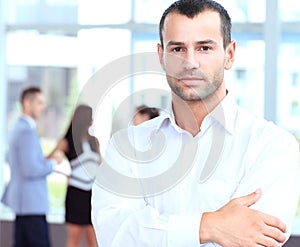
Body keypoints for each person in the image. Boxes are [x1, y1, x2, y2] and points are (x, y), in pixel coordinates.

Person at [91, 0, 300, 246]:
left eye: (204, 48)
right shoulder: (127, 146)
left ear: (229, 55)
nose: (190, 62)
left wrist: (155, 230)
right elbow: (114, 234)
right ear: (161, 57)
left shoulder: (273, 146)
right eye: (178, 49)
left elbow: (259, 240)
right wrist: (209, 226)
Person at [1, 86, 63, 247]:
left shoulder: (18, 128)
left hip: (24, 204)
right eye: (39, 103)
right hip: (31, 205)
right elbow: (30, 169)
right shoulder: (26, 131)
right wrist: (53, 163)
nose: (43, 107)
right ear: (27, 103)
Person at [48, 104, 100, 247]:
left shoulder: (94, 141)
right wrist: (63, 173)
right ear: (84, 119)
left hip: (92, 195)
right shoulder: (67, 142)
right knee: (74, 237)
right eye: (90, 117)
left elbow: (100, 167)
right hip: (75, 194)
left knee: (93, 238)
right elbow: (46, 161)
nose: (92, 120)